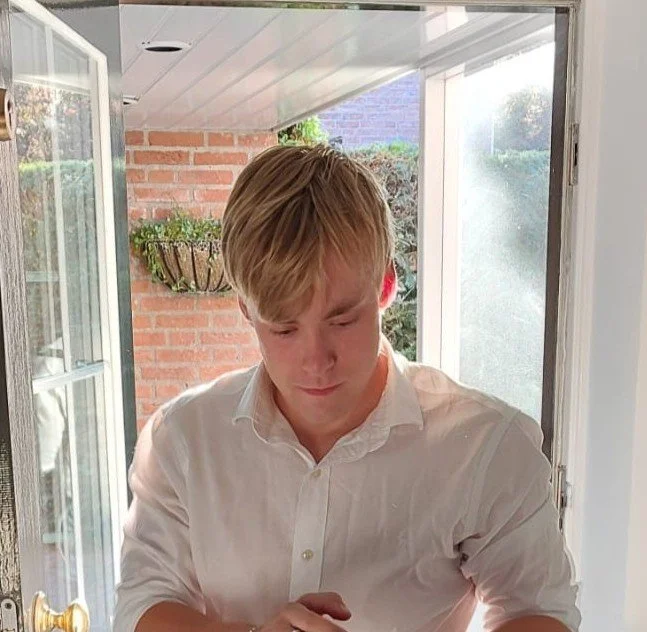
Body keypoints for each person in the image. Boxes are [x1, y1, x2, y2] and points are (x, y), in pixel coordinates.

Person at [113, 145, 580, 632]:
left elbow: (541, 612)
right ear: (245, 308)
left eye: (342, 320)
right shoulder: (183, 439)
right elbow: (143, 602)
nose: (316, 360)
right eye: (283, 328)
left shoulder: (486, 446)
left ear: (385, 287)